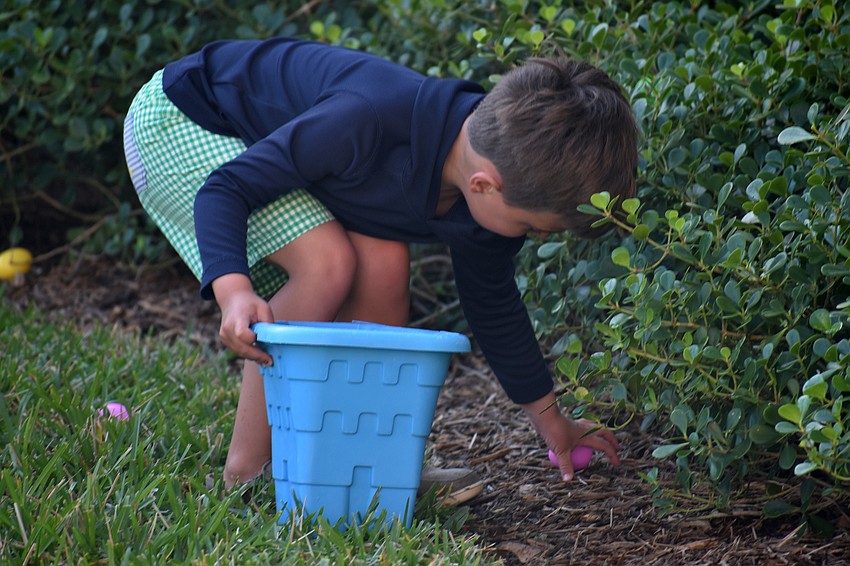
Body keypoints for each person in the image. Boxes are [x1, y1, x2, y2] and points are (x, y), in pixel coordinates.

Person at [123, 36, 635, 502]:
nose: (534, 238)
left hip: (261, 153)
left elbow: (495, 308)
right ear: (485, 184)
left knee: (386, 266)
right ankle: (250, 473)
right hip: (178, 120)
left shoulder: (484, 194)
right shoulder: (366, 119)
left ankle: (362, 466)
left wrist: (553, 422)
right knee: (327, 264)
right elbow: (228, 189)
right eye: (532, 227)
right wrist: (233, 290)